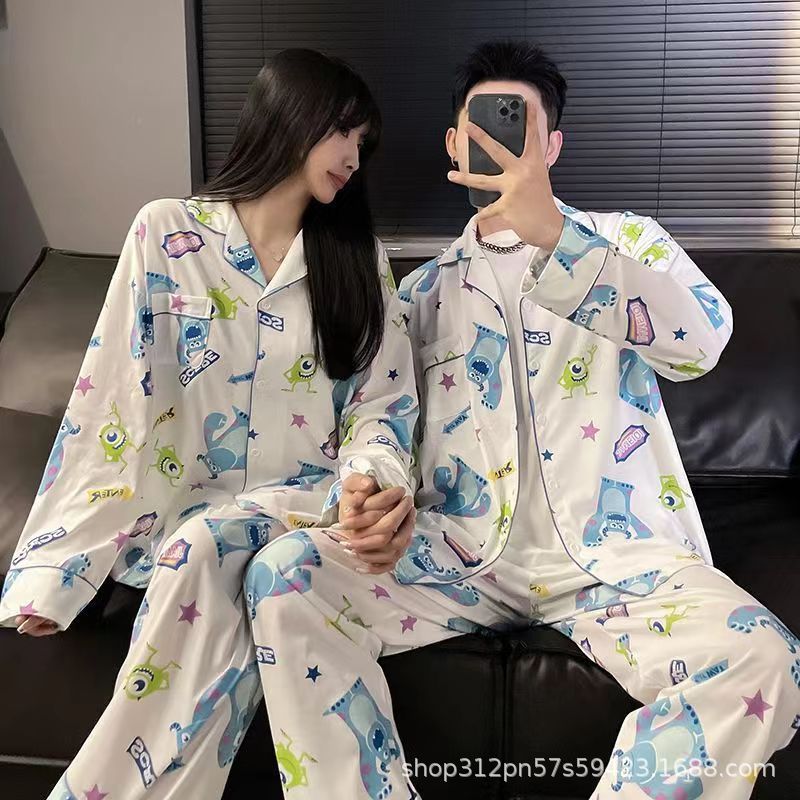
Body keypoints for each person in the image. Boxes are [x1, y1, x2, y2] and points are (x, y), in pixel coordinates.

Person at [246, 41, 799, 799]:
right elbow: (385, 424)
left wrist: (561, 242)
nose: (498, 145)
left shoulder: (628, 243)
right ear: (453, 144)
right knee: (286, 575)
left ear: (553, 147)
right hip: (461, 556)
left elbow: (703, 341)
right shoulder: (420, 294)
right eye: (481, 129)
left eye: (518, 127)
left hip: (614, 561)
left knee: (765, 660)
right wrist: (375, 490)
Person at [0, 48, 418, 799]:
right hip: (182, 520)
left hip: (305, 508)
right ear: (290, 116)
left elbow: (381, 406)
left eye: (364, 144)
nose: (355, 158)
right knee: (201, 548)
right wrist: (58, 573)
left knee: (205, 545)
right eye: (343, 133)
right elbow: (113, 402)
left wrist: (368, 477)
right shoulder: (167, 235)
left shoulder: (359, 262)